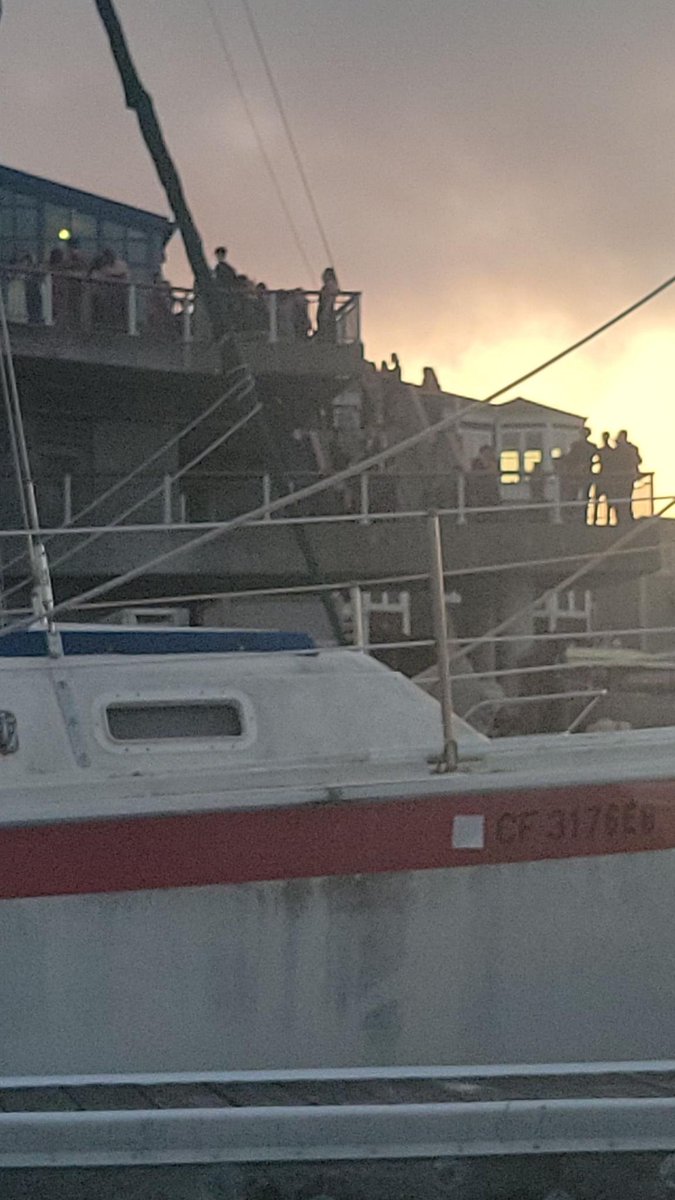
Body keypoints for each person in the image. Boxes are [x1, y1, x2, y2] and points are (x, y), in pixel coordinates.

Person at [612, 429, 642, 523]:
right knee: (626, 498)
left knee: (621, 498)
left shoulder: (617, 450)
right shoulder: (632, 448)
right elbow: (639, 461)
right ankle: (627, 517)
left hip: (621, 477)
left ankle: (622, 517)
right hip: (627, 476)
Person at [467, 444, 501, 517]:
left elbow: (495, 472)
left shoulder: (494, 461)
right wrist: (486, 472)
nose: (488, 454)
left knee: (492, 500)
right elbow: (473, 473)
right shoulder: (476, 462)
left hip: (491, 486)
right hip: (479, 486)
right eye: (486, 453)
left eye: (489, 452)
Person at [595, 431, 618, 524]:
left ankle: (605, 519)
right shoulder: (611, 451)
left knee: (604, 498)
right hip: (607, 476)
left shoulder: (601, 451)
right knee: (603, 498)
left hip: (604, 476)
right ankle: (604, 519)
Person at [315, 266, 339, 340]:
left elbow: (330, 297)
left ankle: (324, 338)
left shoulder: (330, 284)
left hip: (326, 308)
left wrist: (326, 310)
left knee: (325, 326)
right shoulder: (329, 285)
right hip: (324, 308)